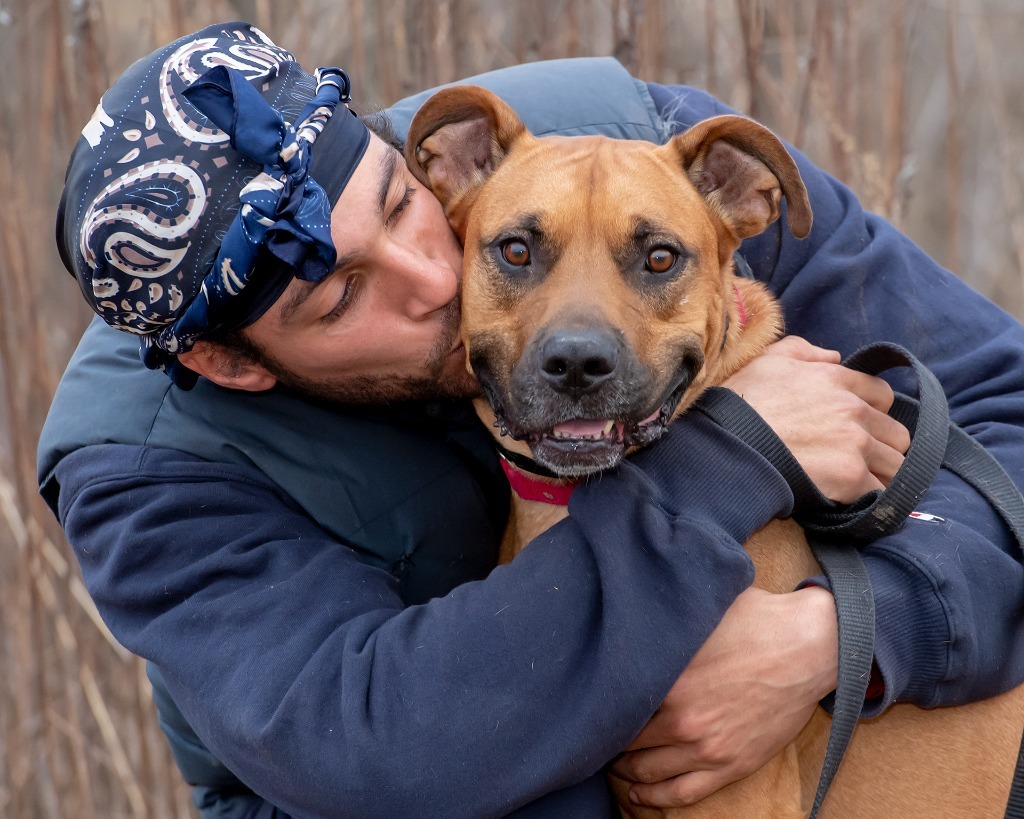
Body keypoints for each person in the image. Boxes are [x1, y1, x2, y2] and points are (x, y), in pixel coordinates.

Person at [38, 21, 1024, 819]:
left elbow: (1006, 410)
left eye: (399, 205)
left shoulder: (643, 155)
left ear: (428, 156)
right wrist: (737, 450)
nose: (434, 280)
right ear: (229, 362)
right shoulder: (144, 475)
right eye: (341, 297)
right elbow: (385, 753)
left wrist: (844, 633)